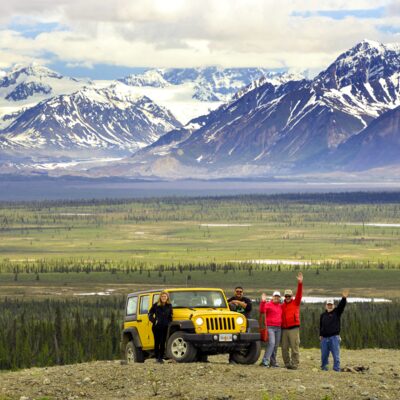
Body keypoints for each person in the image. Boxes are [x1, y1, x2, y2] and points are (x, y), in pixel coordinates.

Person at [319, 289, 349, 372]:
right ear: (326, 305)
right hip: (324, 338)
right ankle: (324, 368)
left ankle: (336, 368)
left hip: (334, 337)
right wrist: (320, 335)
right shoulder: (323, 315)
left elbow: (341, 306)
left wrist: (344, 298)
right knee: (324, 355)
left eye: (331, 304)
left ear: (333, 305)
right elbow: (321, 325)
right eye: (328, 304)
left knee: (336, 355)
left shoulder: (337, 312)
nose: (329, 306)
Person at [281, 272, 303, 369]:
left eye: (289, 296)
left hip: (294, 328)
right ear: (284, 297)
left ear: (292, 296)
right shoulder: (282, 306)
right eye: (286, 296)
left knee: (294, 347)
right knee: (284, 348)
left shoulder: (296, 302)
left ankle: (295, 364)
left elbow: (299, 294)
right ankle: (287, 363)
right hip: (284, 329)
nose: (287, 298)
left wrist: (300, 283)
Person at [227, 286, 252, 364]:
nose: (238, 293)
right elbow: (225, 307)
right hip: (233, 325)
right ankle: (232, 359)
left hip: (245, 324)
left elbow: (249, 308)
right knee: (233, 341)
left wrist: (239, 303)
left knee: (245, 341)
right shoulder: (231, 300)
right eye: (237, 291)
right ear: (234, 292)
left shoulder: (246, 300)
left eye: (240, 291)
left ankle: (245, 358)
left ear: (242, 293)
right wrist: (231, 303)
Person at [148, 291, 173, 363]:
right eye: (162, 296)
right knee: (157, 342)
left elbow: (171, 315)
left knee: (163, 342)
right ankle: (156, 358)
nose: (163, 298)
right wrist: (153, 320)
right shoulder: (156, 305)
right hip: (156, 327)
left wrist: (169, 323)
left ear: (167, 297)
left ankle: (161, 358)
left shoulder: (169, 305)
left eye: (165, 296)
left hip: (165, 327)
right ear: (160, 297)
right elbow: (150, 313)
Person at [259, 290, 282, 367]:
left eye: (278, 296)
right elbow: (262, 310)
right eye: (275, 296)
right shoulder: (268, 304)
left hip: (278, 328)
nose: (276, 298)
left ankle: (273, 362)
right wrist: (263, 301)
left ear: (279, 298)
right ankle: (265, 360)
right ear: (273, 297)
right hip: (270, 327)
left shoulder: (280, 306)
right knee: (271, 343)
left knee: (276, 345)